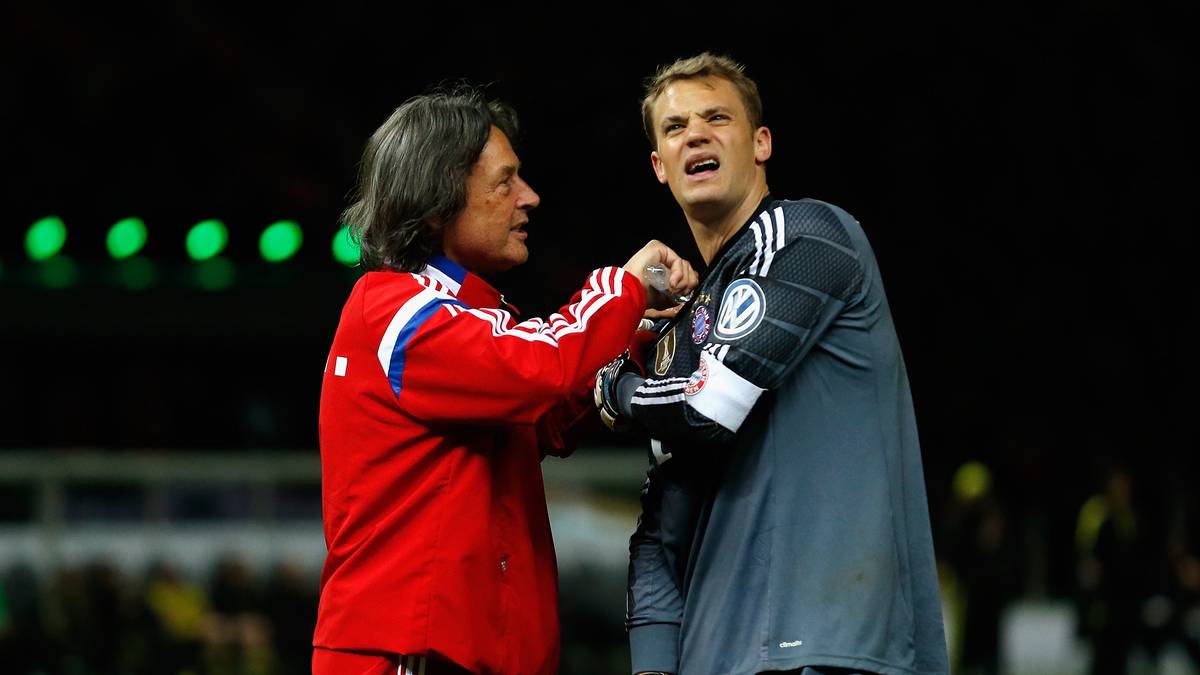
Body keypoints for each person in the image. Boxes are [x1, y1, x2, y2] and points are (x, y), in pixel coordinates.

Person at [315, 84, 696, 675]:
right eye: (505, 181)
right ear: (440, 198)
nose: (530, 198)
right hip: (409, 655)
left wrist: (641, 336)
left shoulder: (464, 318)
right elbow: (539, 369)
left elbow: (546, 417)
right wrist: (622, 289)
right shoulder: (392, 308)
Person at [593, 54, 949, 675]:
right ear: (658, 166)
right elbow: (658, 529)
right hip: (716, 655)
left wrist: (614, 386)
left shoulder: (807, 235)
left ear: (761, 143)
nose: (695, 135)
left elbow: (705, 410)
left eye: (716, 118)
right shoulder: (683, 330)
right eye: (675, 128)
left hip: (825, 646)